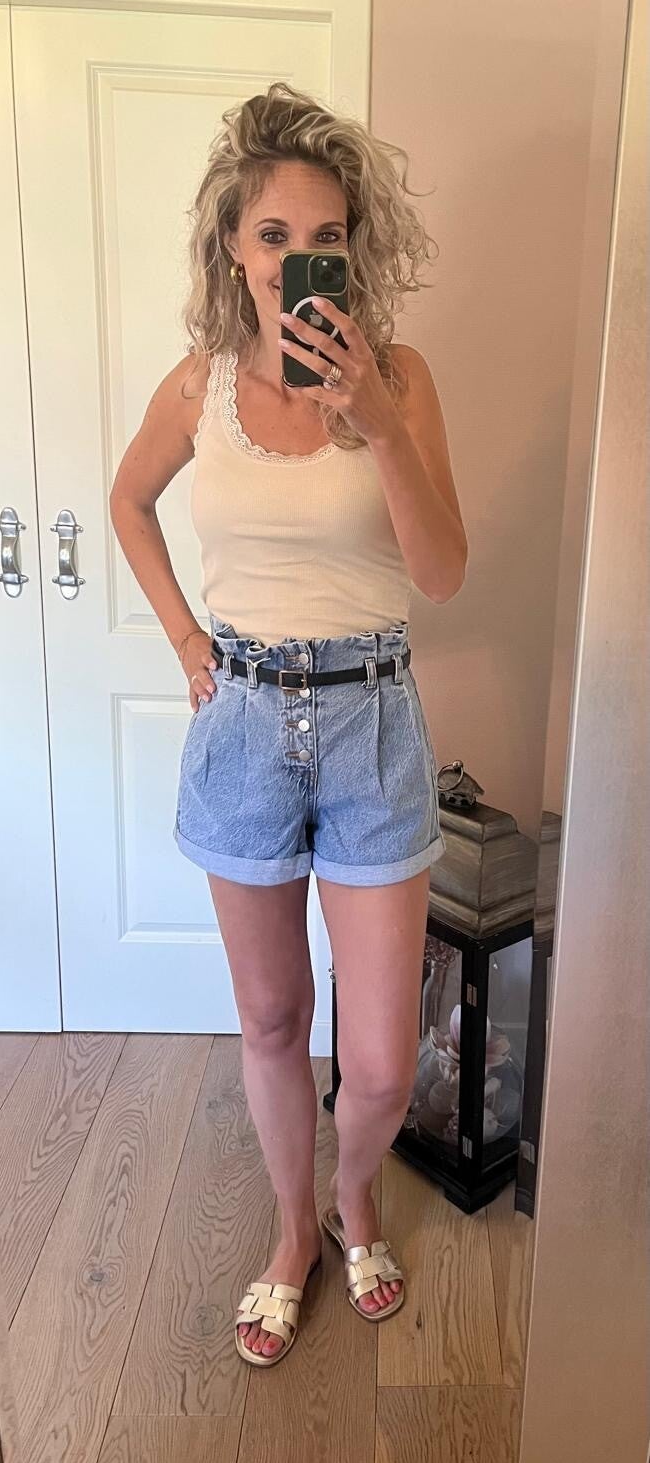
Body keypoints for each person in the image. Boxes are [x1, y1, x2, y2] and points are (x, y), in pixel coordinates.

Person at [110, 81, 467, 1368]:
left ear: (350, 250)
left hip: (374, 724)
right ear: (232, 247)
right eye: (271, 235)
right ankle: (291, 1231)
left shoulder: (401, 379)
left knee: (377, 1065)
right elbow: (127, 502)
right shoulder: (196, 387)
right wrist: (186, 643)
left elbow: (442, 574)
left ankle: (353, 1192)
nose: (293, 259)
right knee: (268, 1020)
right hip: (245, 724)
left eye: (322, 236)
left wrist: (373, 421)